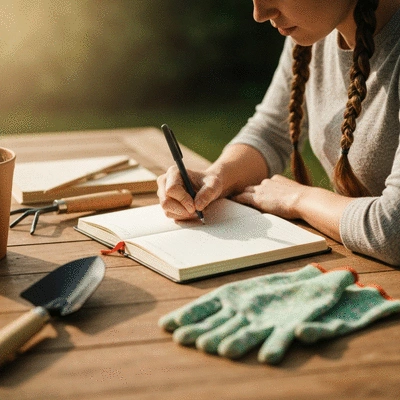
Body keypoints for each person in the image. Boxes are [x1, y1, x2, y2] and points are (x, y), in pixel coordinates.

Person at [157, 0, 400, 266]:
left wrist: (298, 198)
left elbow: (393, 230)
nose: (260, 14)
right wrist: (214, 177)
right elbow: (270, 132)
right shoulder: (316, 29)